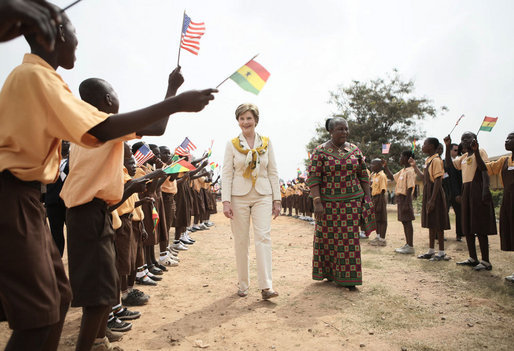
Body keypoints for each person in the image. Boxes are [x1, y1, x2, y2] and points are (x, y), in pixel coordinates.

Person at [307, 117, 375, 290]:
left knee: (349, 240)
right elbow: (314, 179)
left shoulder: (354, 150)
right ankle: (329, 274)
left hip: (351, 203)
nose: (344, 132)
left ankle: (349, 279)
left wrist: (367, 198)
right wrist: (317, 202)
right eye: (340, 129)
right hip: (328, 204)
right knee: (328, 239)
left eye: (346, 129)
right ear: (331, 131)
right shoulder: (320, 151)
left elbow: (363, 175)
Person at [221, 103, 281, 300]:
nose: (245, 122)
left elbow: (272, 171)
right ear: (238, 121)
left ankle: (266, 287)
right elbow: (227, 174)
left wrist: (277, 199)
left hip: (263, 195)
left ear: (256, 120)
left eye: (249, 118)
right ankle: (243, 284)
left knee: (263, 238)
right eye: (241, 118)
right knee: (241, 241)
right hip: (238, 197)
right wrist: (226, 201)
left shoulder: (266, 142)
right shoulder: (232, 144)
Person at [444, 132, 497, 271]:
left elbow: (484, 169)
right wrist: (447, 146)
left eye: (467, 138)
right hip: (466, 190)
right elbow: (449, 164)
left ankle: (486, 261)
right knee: (467, 225)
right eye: (462, 138)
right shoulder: (463, 157)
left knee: (480, 226)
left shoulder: (480, 152)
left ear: (474, 139)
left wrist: (485, 190)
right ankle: (473, 258)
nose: (464, 141)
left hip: (477, 188)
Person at [473, 132, 514, 281]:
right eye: (506, 137)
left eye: (510, 138)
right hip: (508, 200)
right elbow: (485, 167)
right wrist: (476, 151)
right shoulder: (504, 161)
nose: (506, 140)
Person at [410, 138, 450, 261]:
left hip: (435, 193)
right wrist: (415, 166)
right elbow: (423, 178)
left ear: (432, 146)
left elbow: (438, 180)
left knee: (438, 222)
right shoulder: (428, 160)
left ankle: (442, 252)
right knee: (431, 222)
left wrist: (432, 200)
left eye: (425, 144)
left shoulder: (436, 160)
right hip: (428, 191)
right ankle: (431, 250)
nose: (422, 147)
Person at [383, 151, 417, 254]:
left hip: (405, 198)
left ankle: (410, 246)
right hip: (401, 199)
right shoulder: (403, 170)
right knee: (404, 221)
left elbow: (410, 187)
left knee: (407, 221)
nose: (400, 159)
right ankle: (407, 244)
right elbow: (391, 177)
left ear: (407, 157)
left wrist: (407, 203)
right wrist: (386, 167)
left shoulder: (410, 171)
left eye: (401, 156)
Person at [45, 140, 70, 256]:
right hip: (52, 202)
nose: (66, 143)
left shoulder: (75, 161)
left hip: (69, 202)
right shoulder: (50, 160)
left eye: (68, 141)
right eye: (63, 141)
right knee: (55, 234)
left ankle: (74, 259)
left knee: (73, 234)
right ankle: (57, 259)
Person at [442, 143, 464, 241]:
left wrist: (459, 193)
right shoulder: (443, 162)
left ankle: (459, 234)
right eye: (455, 150)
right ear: (449, 151)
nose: (457, 152)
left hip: (457, 193)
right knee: (443, 213)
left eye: (458, 150)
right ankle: (439, 234)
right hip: (446, 192)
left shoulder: (460, 163)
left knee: (459, 214)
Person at [369, 158, 388, 246]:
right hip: (374, 198)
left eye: (373, 164)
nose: (371, 166)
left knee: (382, 219)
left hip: (380, 198)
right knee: (376, 218)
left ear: (379, 166)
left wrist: (380, 203)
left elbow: (382, 190)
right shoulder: (374, 175)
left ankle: (382, 239)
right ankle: (378, 236)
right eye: (371, 164)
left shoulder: (382, 176)